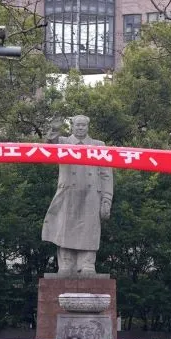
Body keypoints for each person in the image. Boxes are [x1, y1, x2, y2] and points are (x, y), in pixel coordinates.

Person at [42, 115, 114, 276]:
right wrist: (54, 129)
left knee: (89, 229)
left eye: (83, 125)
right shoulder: (63, 142)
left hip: (91, 195)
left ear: (88, 127)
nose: (80, 128)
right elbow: (48, 147)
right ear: (72, 126)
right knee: (65, 227)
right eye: (77, 125)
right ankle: (66, 263)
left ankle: (87, 263)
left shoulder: (98, 145)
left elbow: (106, 175)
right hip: (68, 193)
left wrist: (107, 199)